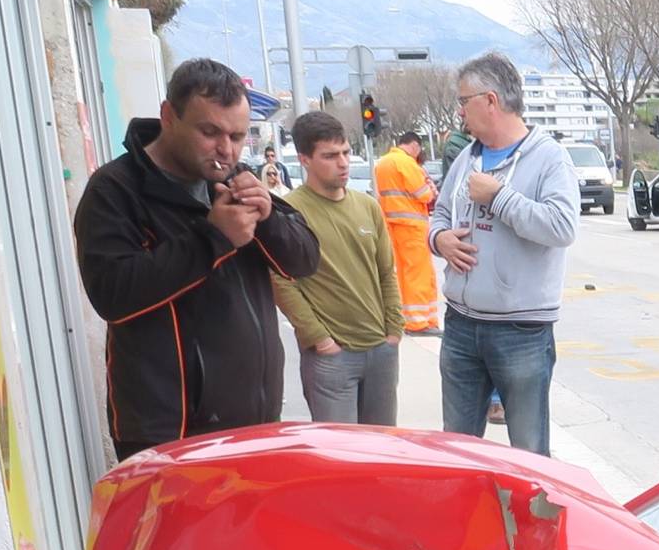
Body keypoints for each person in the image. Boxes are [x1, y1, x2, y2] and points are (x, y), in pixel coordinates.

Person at [74, 58, 318, 459]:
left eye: (237, 136)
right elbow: (112, 295)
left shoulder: (233, 178)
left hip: (254, 424)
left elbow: (305, 262)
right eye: (210, 132)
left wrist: (271, 219)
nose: (226, 149)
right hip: (171, 435)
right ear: (169, 116)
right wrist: (213, 238)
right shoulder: (115, 190)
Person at [429, 52, 580, 454]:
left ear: (490, 100)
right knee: (458, 447)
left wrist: (499, 197)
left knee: (528, 452)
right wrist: (439, 239)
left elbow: (561, 227)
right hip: (460, 325)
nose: (460, 113)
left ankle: (529, 519)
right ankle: (467, 517)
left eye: (464, 102)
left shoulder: (549, 158)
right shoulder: (467, 157)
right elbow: (440, 212)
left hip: (521, 332)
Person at [272, 112, 405, 426]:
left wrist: (394, 329)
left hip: (381, 349)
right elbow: (280, 281)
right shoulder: (290, 212)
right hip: (332, 356)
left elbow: (386, 271)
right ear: (305, 159)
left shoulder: (367, 206)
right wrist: (319, 339)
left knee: (382, 450)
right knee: (340, 455)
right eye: (330, 156)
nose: (343, 162)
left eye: (345, 152)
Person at [374, 131, 442, 336]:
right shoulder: (407, 163)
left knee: (401, 274)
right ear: (415, 146)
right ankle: (420, 323)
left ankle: (404, 318)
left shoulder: (383, 163)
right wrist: (431, 190)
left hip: (392, 225)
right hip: (412, 226)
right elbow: (423, 194)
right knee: (418, 273)